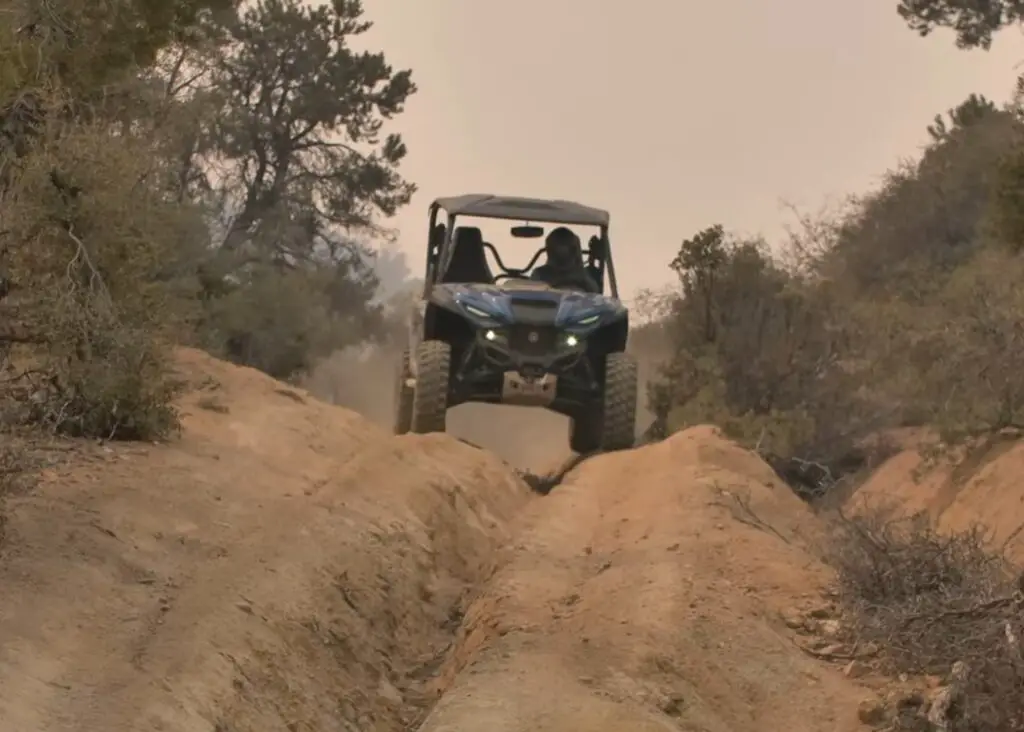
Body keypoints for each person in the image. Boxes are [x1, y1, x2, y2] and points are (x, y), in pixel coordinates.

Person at [531, 226, 599, 292]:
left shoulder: (583, 275)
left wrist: (582, 279)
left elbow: (595, 294)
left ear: (574, 251)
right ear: (550, 251)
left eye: (566, 247)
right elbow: (532, 296)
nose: (562, 255)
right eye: (558, 250)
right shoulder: (540, 275)